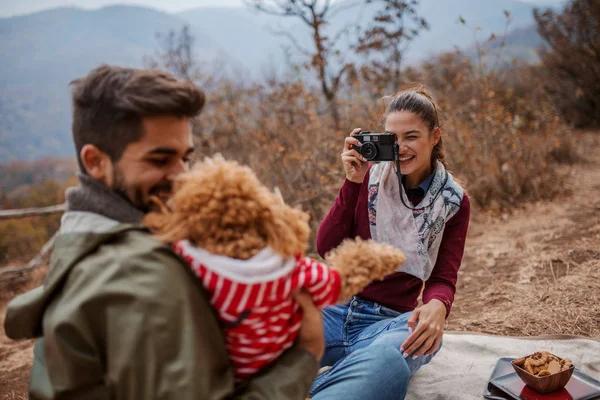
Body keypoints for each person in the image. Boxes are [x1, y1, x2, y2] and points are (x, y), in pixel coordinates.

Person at [3, 65, 323, 400]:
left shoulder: (82, 232)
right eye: (160, 161)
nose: (182, 176)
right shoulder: (143, 274)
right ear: (96, 161)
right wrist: (303, 358)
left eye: (185, 158)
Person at [309, 87, 471, 400]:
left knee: (392, 361)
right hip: (333, 309)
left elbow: (442, 277)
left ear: (434, 136)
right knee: (265, 332)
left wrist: (439, 304)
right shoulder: (369, 179)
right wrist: (352, 183)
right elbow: (327, 248)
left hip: (386, 324)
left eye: (411, 136)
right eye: (391, 137)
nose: (400, 147)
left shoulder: (452, 202)